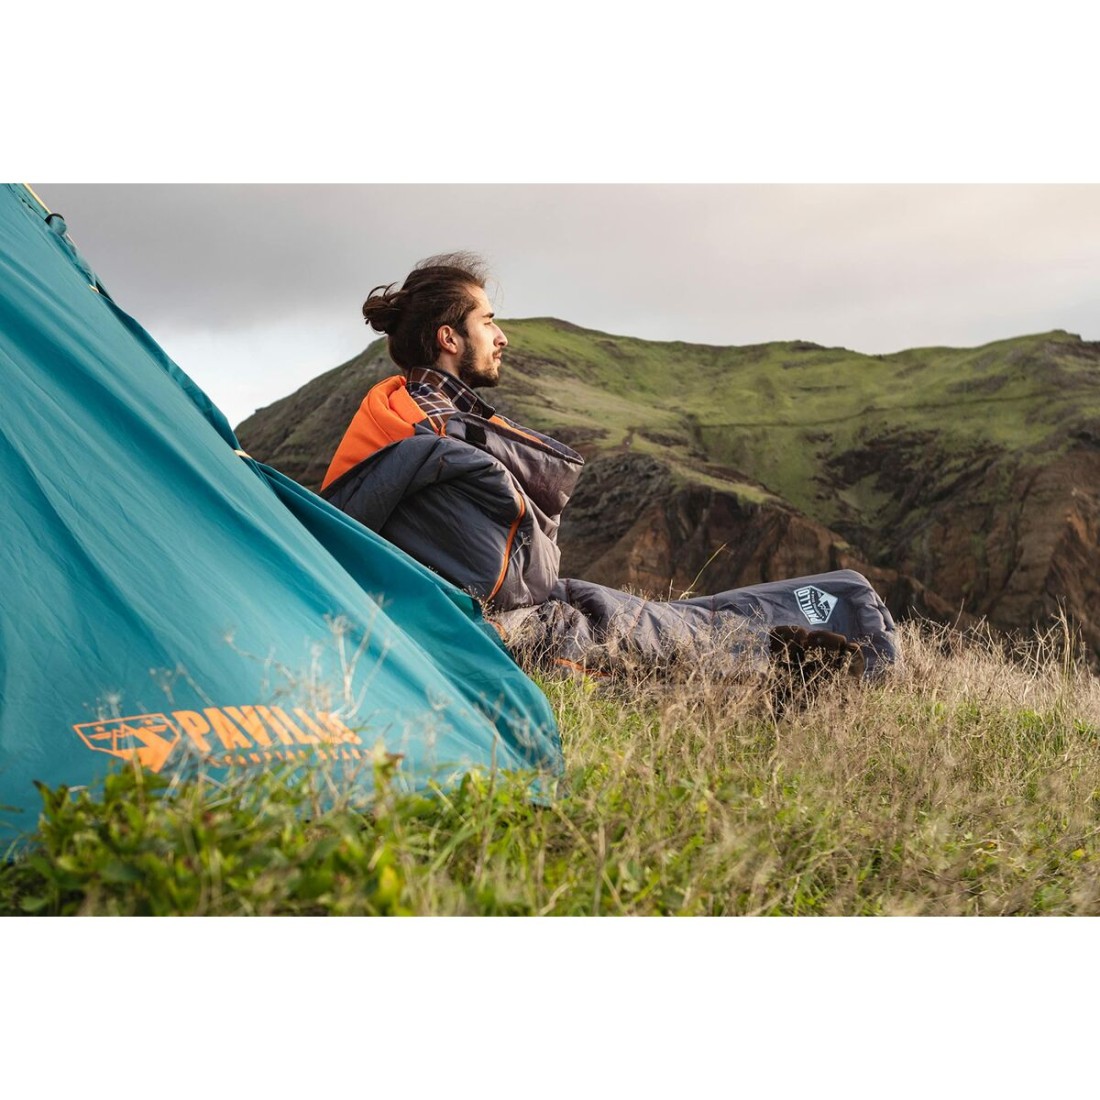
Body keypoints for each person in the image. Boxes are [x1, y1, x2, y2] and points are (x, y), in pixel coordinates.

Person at [321, 253, 898, 679]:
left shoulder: (397, 413)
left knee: (661, 618)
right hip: (495, 631)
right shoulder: (441, 437)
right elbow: (503, 583)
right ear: (449, 337)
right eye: (488, 321)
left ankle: (823, 628)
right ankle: (824, 643)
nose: (502, 337)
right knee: (665, 635)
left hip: (485, 614)